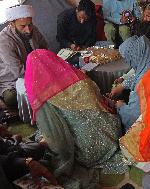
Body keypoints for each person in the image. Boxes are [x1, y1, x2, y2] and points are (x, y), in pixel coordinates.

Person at [24, 49, 127, 187]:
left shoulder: (45, 98)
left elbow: (57, 139)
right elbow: (102, 104)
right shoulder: (78, 77)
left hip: (86, 153)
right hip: (112, 134)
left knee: (42, 137)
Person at [0, 5, 47, 107]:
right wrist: (42, 78)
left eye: (30, 24)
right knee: (12, 98)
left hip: (37, 71)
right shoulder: (3, 41)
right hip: (13, 79)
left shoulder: (33, 29)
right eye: (23, 26)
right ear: (12, 24)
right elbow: (18, 71)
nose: (28, 30)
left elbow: (44, 49)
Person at [110, 35, 150, 130]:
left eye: (129, 58)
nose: (129, 62)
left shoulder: (143, 82)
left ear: (135, 56)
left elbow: (133, 118)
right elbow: (137, 76)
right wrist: (123, 85)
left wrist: (120, 106)